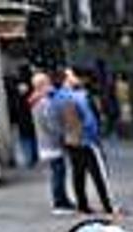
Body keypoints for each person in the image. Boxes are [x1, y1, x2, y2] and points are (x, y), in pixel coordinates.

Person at [58, 67, 116, 216]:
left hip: (70, 140)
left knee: (78, 174)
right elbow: (90, 121)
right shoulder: (80, 96)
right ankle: (109, 205)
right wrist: (94, 137)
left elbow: (53, 119)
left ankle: (82, 205)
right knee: (99, 174)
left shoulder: (59, 96)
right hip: (86, 141)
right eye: (72, 76)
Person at [30, 71, 75, 214]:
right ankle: (59, 204)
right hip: (52, 144)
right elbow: (52, 124)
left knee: (58, 172)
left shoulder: (36, 102)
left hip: (46, 143)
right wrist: (63, 134)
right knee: (58, 173)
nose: (50, 85)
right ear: (42, 85)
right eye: (48, 83)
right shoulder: (44, 103)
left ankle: (64, 200)